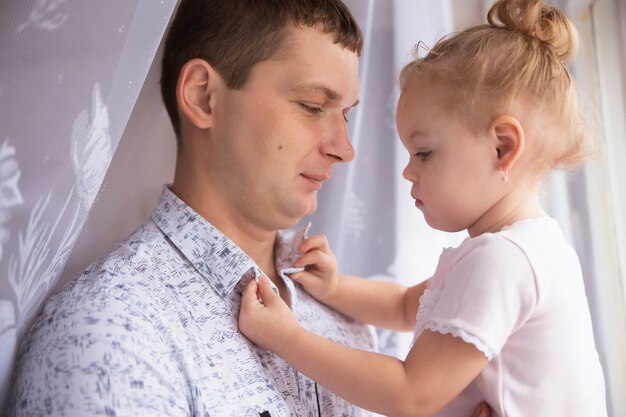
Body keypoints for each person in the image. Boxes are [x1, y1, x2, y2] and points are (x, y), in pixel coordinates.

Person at [238, 0, 608, 416]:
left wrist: (285, 336)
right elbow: (403, 306)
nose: (408, 173)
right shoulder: (535, 247)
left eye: (425, 153)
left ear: (502, 147)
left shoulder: (503, 261)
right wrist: (335, 288)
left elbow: (410, 395)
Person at [9, 1, 377, 416]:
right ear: (203, 96)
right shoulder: (109, 334)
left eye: (346, 115)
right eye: (312, 105)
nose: (344, 149)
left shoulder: (347, 314)